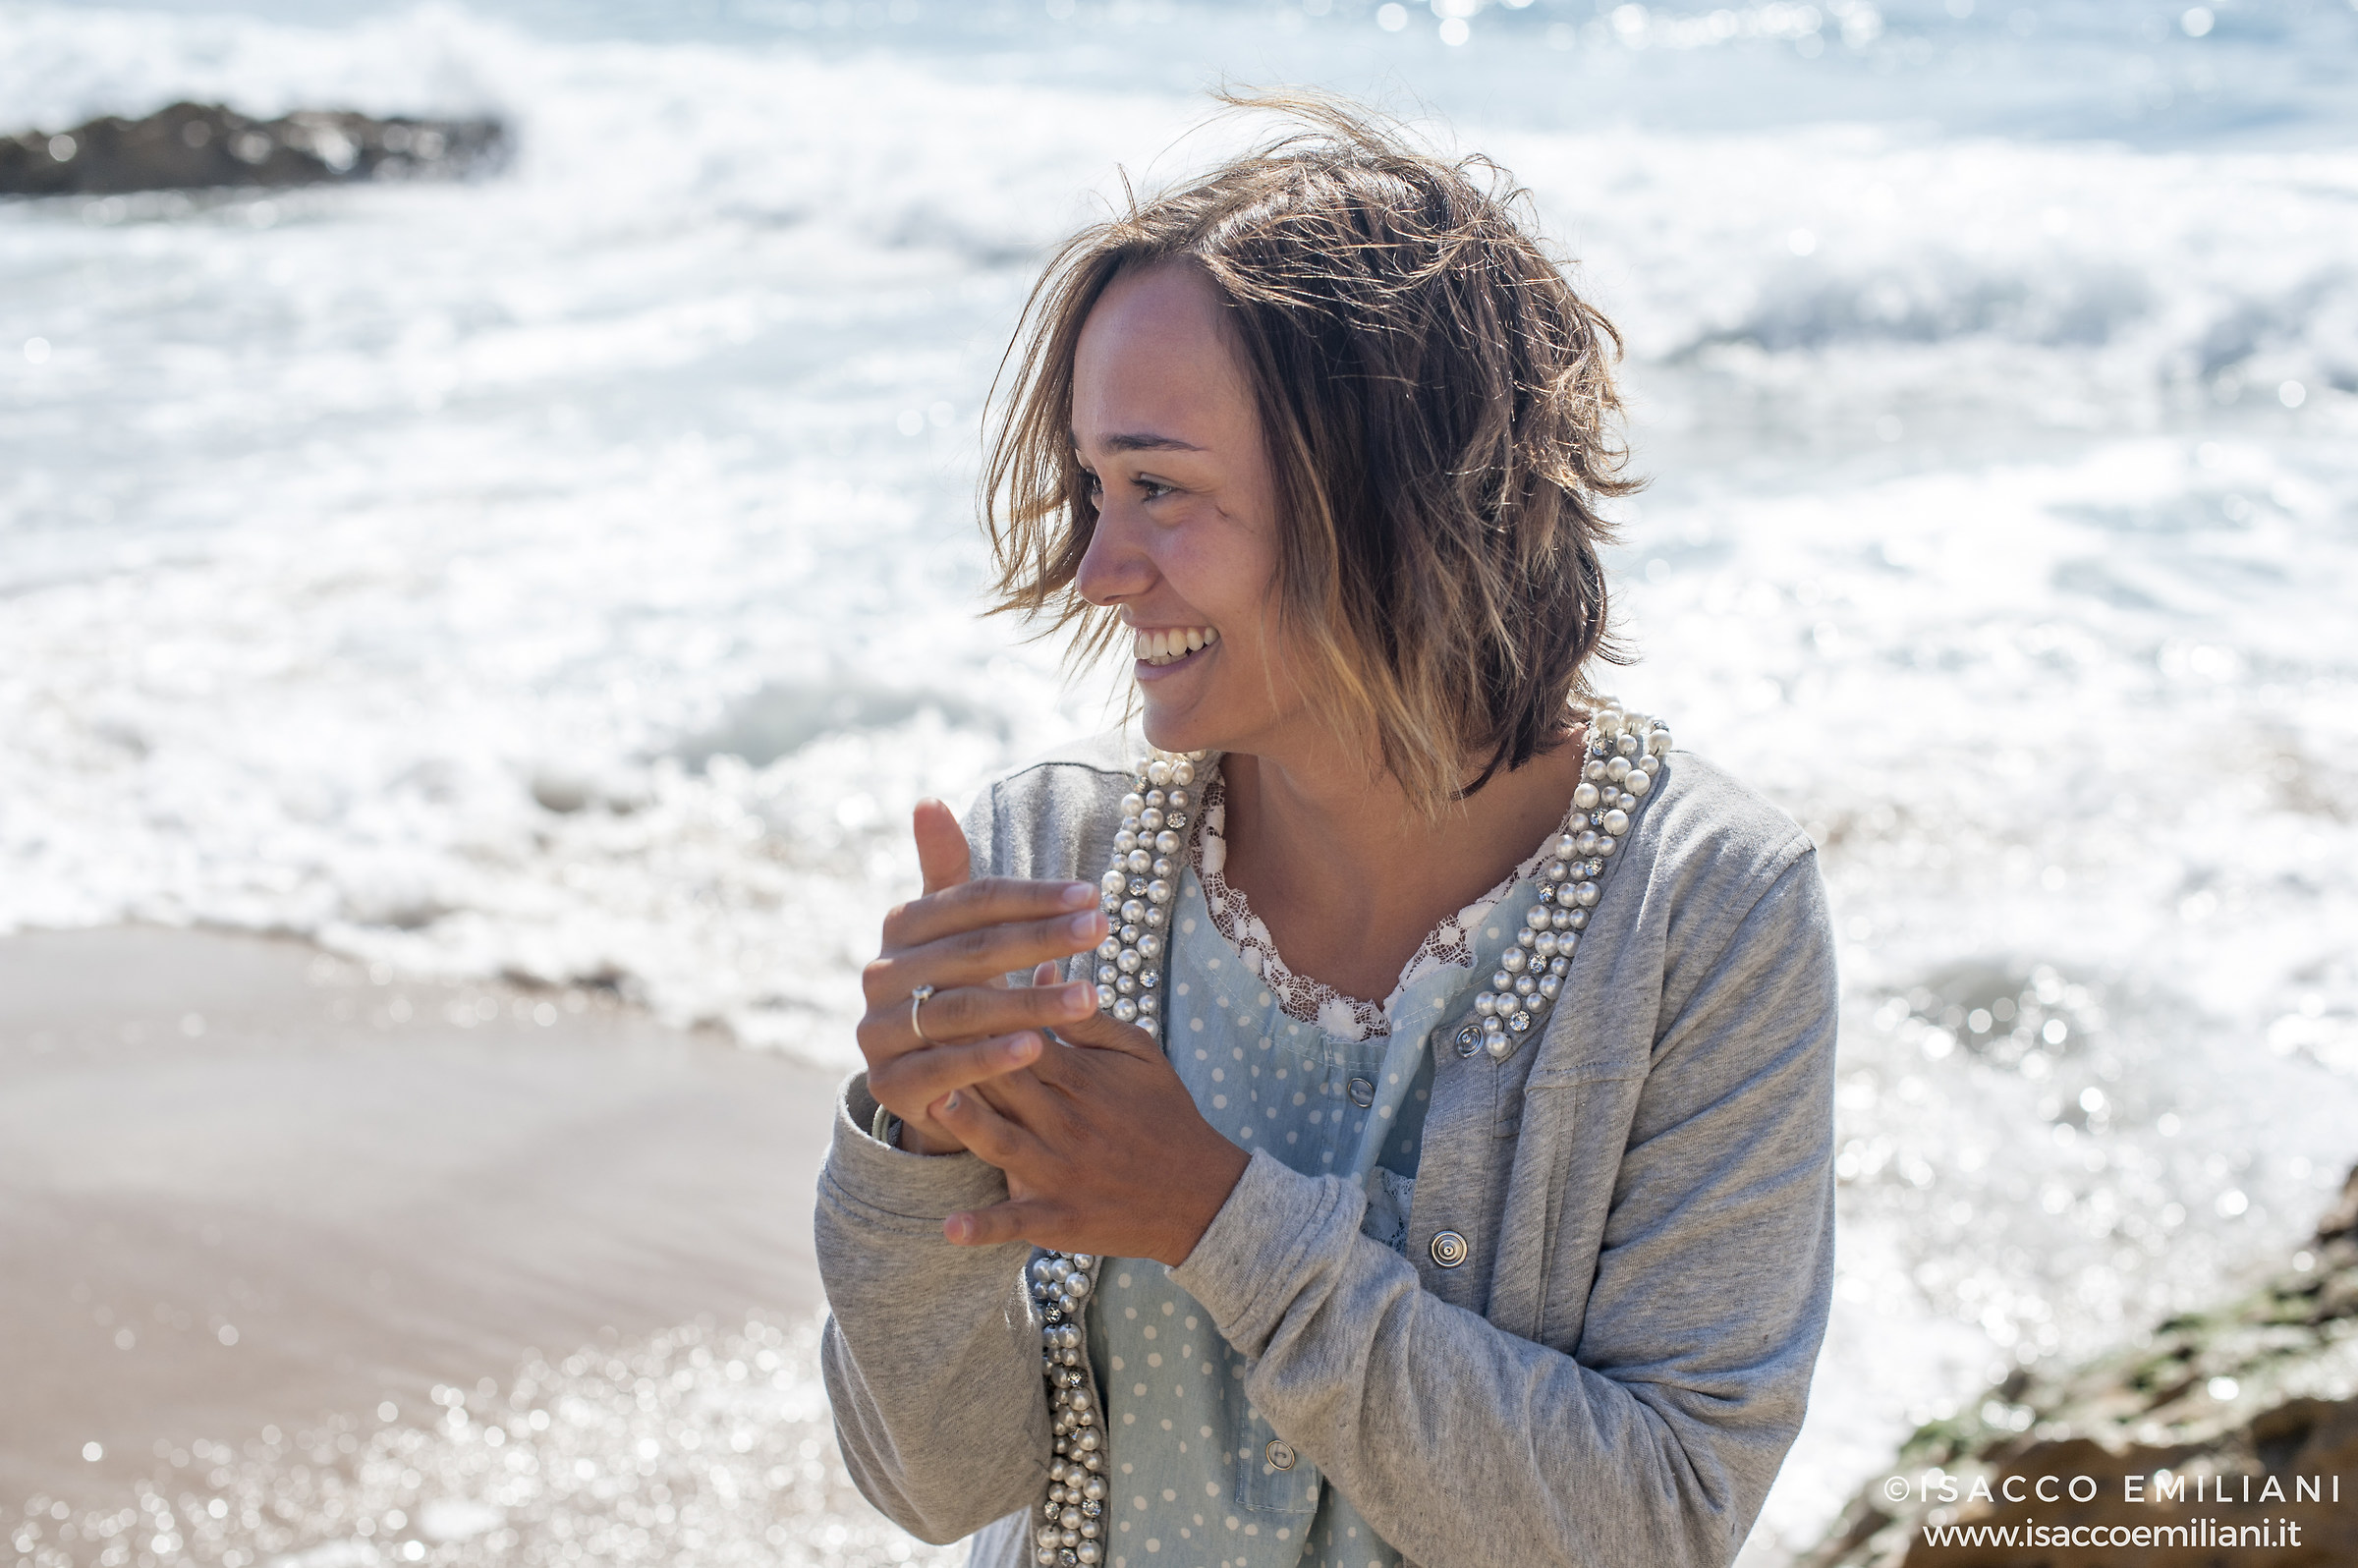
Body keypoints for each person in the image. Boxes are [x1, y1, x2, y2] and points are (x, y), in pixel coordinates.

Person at [814, 97, 1837, 1568]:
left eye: (1159, 488)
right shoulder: (1050, 862)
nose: (1099, 568)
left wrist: (1216, 1219)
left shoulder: (1706, 914)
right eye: (1095, 488)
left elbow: (1658, 1522)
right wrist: (909, 1153)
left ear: (1391, 497)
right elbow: (939, 1486)